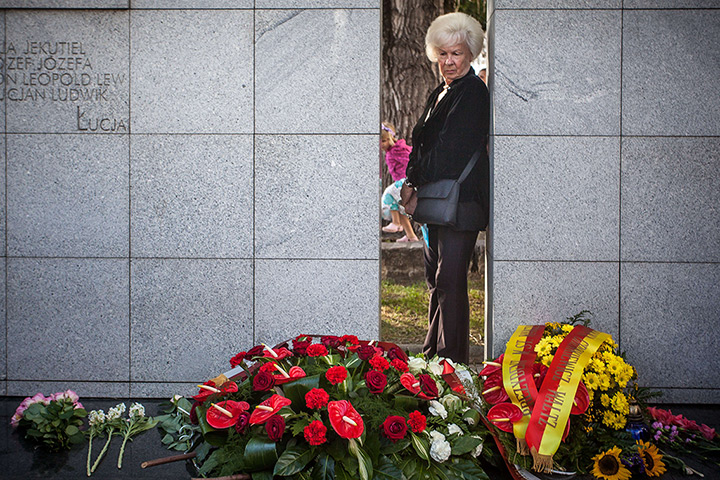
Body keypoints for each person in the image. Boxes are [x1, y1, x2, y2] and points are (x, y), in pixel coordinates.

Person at [405, 12, 489, 364]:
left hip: (461, 202)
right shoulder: (441, 90)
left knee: (450, 282)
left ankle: (453, 366)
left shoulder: (472, 92)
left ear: (470, 54)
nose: (449, 61)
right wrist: (411, 176)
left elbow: (451, 152)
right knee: (436, 282)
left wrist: (417, 175)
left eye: (456, 54)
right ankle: (431, 359)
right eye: (443, 54)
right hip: (436, 201)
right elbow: (422, 142)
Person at [380, 122, 419, 242]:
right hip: (401, 181)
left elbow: (409, 158)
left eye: (384, 141)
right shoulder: (391, 152)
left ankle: (396, 223)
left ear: (391, 139)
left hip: (405, 181)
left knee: (388, 194)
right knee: (399, 208)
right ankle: (411, 236)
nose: (381, 144)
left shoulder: (397, 150)